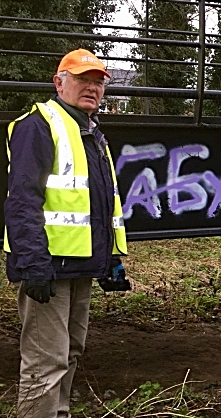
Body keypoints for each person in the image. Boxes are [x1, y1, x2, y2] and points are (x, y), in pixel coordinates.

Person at [4, 48, 129, 418]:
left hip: (79, 266)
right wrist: (33, 264)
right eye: (82, 80)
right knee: (46, 363)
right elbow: (23, 200)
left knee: (70, 352)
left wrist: (109, 260)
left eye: (97, 82)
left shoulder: (90, 133)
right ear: (59, 83)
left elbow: (99, 207)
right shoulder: (39, 125)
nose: (91, 88)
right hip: (49, 268)